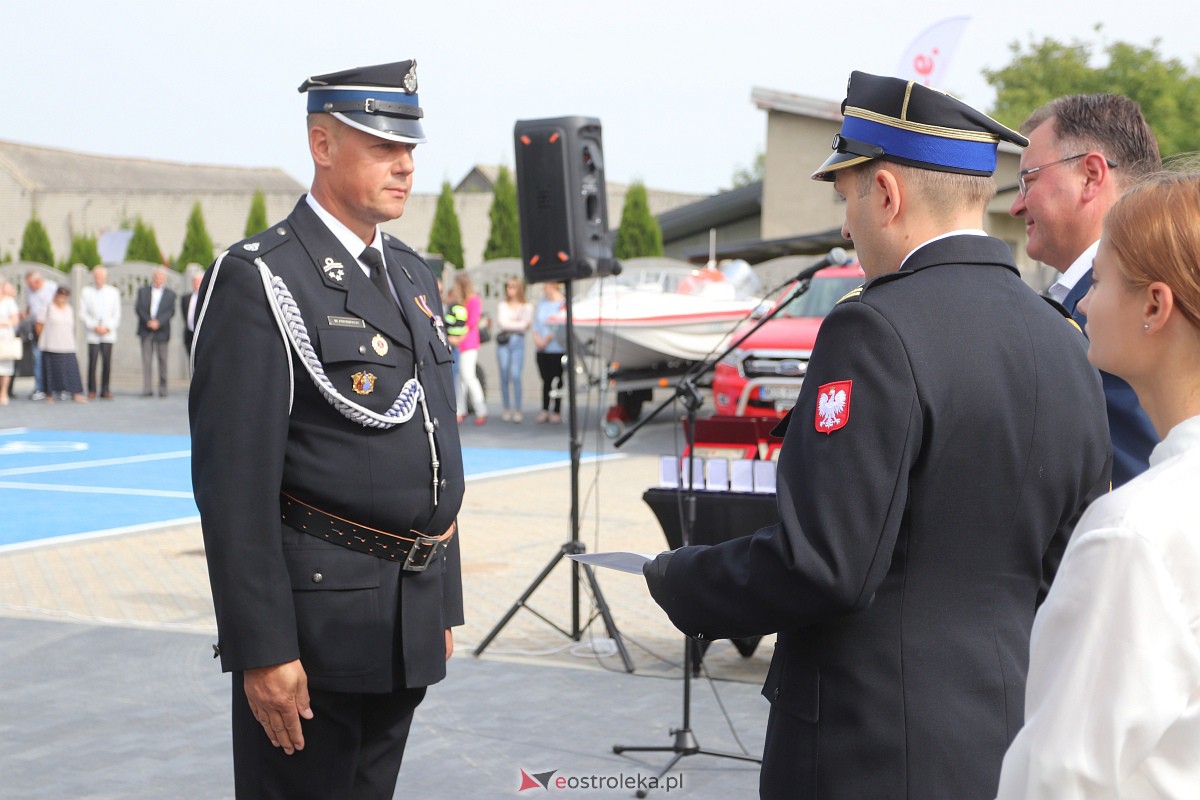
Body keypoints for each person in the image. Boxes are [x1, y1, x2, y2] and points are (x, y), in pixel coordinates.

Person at [642, 71, 1112, 800]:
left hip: (871, 749)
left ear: (886, 193)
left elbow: (823, 561)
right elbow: (1071, 570)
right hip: (1012, 737)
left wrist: (682, 579)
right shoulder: (1065, 340)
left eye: (847, 198)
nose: (844, 227)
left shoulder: (875, 327)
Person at [188, 59, 465, 800]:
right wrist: (262, 648)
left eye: (410, 148)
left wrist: (442, 600)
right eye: (382, 145)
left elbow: (437, 437)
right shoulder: (262, 278)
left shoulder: (411, 273)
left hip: (404, 614)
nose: (404, 164)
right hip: (316, 633)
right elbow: (233, 486)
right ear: (321, 144)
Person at [996, 170, 1200, 798]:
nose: (1083, 303)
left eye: (1102, 280)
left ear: (1154, 306)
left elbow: (1060, 778)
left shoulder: (1131, 532)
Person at [1010, 94, 1161, 487]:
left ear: (1091, 176)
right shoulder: (1122, 292)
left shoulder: (1128, 303)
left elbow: (1133, 477)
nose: (1015, 206)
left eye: (1028, 180)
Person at [39, 286, 86, 403]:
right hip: (51, 345)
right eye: (60, 295)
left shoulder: (69, 309)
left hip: (67, 344)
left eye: (65, 295)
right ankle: (50, 394)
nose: (62, 298)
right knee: (51, 371)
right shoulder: (48, 308)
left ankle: (75, 393)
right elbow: (39, 325)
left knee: (71, 370)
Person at [80, 265, 121, 399]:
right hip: (93, 332)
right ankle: (91, 389)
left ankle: (105, 389)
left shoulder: (113, 292)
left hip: (108, 333)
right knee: (92, 361)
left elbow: (117, 314)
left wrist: (108, 327)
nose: (99, 279)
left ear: (105, 277)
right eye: (96, 277)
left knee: (107, 362)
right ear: (93, 277)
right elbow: (83, 313)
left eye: (101, 277)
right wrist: (94, 326)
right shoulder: (86, 291)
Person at [495, 277, 532, 422]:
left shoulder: (527, 306)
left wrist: (514, 323)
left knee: (516, 375)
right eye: (508, 286)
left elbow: (525, 325)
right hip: (504, 342)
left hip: (518, 341)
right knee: (504, 374)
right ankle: (506, 408)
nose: (509, 289)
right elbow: (503, 324)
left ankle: (517, 408)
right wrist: (517, 323)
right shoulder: (502, 305)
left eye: (512, 287)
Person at [452, 271, 487, 425]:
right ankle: (460, 409)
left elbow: (471, 323)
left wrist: (459, 338)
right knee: (459, 378)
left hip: (469, 344)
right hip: (459, 344)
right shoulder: (461, 301)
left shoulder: (474, 300)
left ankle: (481, 410)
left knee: (469, 376)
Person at [135, 266, 175, 397]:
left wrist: (158, 322)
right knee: (147, 361)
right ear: (153, 278)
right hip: (146, 330)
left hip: (162, 331)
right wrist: (149, 321)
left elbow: (170, 311)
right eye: (157, 277)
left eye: (161, 277)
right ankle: (147, 389)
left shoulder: (170, 294)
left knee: (163, 360)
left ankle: (163, 389)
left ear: (164, 279)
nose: (159, 279)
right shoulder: (143, 291)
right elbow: (139, 308)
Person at [532, 281, 565, 423]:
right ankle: (545, 409)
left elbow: (558, 324)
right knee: (546, 380)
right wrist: (538, 340)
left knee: (558, 380)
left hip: (557, 349)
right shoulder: (542, 303)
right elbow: (536, 325)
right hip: (542, 350)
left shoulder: (562, 303)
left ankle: (556, 410)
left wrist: (546, 340)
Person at [22, 269, 58, 401]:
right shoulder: (29, 291)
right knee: (37, 358)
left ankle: (53, 387)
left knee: (52, 358)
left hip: (50, 328)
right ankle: (39, 387)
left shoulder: (51, 287)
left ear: (38, 281)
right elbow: (30, 308)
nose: (30, 287)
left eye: (32, 284)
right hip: (35, 328)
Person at [0, 281, 19, 404]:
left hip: (5, 337)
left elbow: (15, 320)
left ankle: (4, 393)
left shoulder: (9, 302)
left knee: (5, 366)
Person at [181, 272, 203, 360]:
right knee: (190, 360)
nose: (196, 284)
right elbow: (184, 314)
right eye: (195, 282)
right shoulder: (185, 298)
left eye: (199, 282)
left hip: (202, 334)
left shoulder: (207, 298)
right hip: (189, 334)